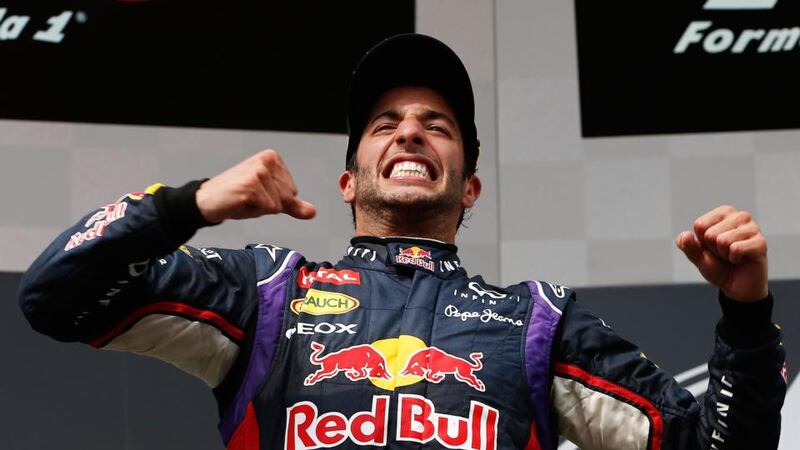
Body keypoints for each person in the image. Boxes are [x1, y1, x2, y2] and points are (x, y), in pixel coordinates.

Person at [18, 34, 785, 450]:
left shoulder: (536, 323)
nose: (410, 131)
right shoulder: (267, 294)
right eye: (385, 123)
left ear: (469, 187)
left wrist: (745, 314)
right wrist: (189, 205)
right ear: (349, 181)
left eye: (436, 125)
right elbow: (55, 295)